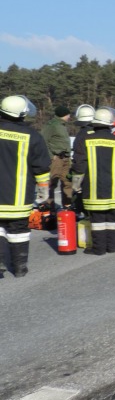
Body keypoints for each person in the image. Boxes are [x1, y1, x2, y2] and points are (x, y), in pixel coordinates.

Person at [71, 107, 115, 255]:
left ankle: (98, 249)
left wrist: (76, 183)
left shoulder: (86, 140)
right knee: (112, 218)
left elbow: (79, 164)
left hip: (94, 188)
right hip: (114, 188)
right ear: (110, 124)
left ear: (95, 123)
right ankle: (111, 247)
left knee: (97, 219)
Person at [0, 95, 51, 277]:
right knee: (19, 231)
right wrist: (43, 189)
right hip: (19, 197)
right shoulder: (32, 136)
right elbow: (41, 167)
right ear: (22, 114)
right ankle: (20, 267)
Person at [41, 105, 74, 209]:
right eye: (68, 115)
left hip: (66, 158)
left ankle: (68, 205)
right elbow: (43, 141)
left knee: (67, 181)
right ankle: (48, 206)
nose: (69, 117)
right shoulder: (52, 125)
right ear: (64, 114)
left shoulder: (62, 126)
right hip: (56, 159)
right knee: (51, 182)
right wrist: (51, 156)